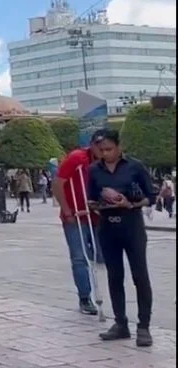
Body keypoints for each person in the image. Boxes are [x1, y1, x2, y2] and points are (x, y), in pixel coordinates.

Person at [85, 129, 155, 347]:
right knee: (114, 276)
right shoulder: (94, 170)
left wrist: (130, 203)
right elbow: (91, 198)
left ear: (118, 147)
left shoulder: (135, 166)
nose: (105, 154)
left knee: (140, 276)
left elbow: (150, 196)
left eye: (109, 149)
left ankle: (143, 326)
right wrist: (97, 203)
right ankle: (120, 323)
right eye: (101, 150)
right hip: (107, 226)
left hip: (131, 225)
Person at [54, 142, 102, 315]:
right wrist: (67, 212)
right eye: (100, 148)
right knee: (79, 257)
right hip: (75, 216)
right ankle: (85, 297)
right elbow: (58, 183)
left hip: (98, 216)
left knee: (102, 255)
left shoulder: (108, 161)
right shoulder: (77, 159)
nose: (104, 152)